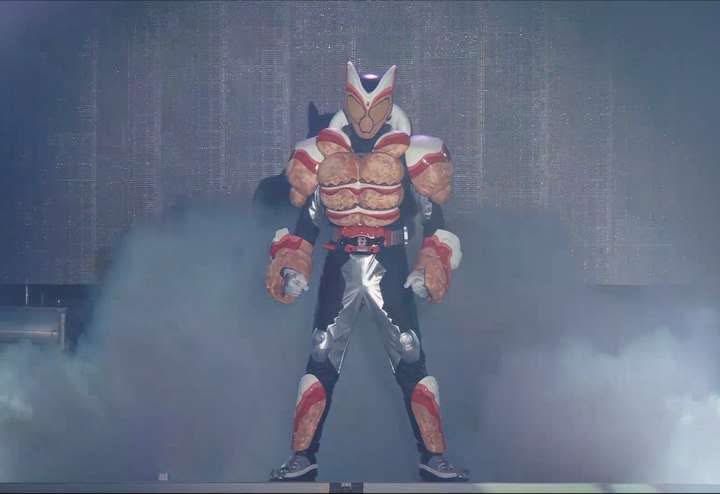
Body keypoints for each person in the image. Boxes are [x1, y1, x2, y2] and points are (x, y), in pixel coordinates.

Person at [266, 62, 468, 482]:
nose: (367, 116)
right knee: (321, 353)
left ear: (390, 103)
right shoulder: (320, 156)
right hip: (340, 261)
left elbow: (435, 223)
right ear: (348, 100)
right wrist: (291, 265)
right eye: (359, 105)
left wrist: (430, 265)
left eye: (376, 106)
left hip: (389, 263)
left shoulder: (413, 156)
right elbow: (307, 222)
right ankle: (302, 456)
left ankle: (434, 456)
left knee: (410, 355)